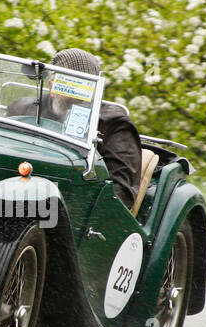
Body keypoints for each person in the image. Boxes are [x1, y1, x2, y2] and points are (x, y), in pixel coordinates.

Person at [9, 48, 143, 209]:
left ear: (95, 91)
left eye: (83, 86)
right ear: (52, 86)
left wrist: (73, 208)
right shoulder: (23, 109)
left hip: (71, 206)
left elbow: (120, 193)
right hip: (11, 191)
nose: (76, 93)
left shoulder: (114, 124)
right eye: (68, 84)